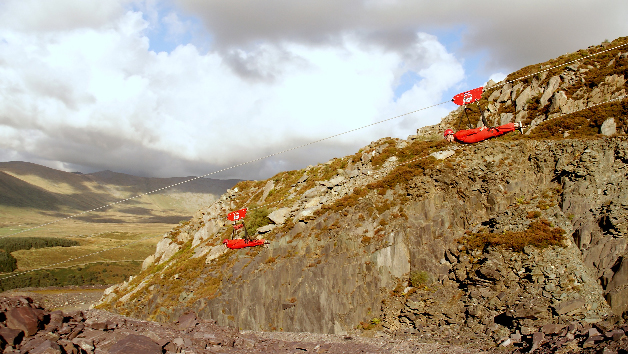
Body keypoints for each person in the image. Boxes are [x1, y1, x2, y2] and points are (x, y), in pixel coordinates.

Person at [444, 122, 523, 144]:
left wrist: (479, 130)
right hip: (480, 135)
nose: (447, 140)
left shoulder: (457, 135)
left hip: (480, 134)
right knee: (497, 132)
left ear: (449, 135)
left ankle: (516, 125)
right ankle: (515, 127)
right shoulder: (457, 139)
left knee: (497, 131)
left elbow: (469, 132)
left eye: (446, 138)